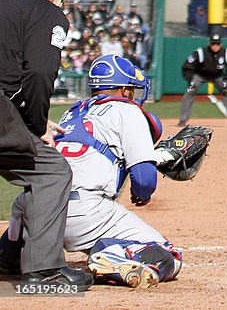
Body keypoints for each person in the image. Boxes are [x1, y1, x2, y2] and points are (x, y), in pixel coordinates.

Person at [7, 55, 182, 288]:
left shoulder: (73, 112)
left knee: (24, 222)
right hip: (84, 213)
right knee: (169, 256)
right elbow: (143, 179)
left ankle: (8, 254)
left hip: (34, 208)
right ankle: (112, 254)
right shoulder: (127, 111)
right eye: (131, 89)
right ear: (124, 89)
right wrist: (142, 194)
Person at [0, 0, 93, 291]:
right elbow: (39, 74)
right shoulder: (47, 12)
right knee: (52, 171)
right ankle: (43, 271)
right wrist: (36, 127)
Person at [178, 34, 227, 127]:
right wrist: (190, 80)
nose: (215, 46)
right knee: (190, 92)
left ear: (221, 44)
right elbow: (187, 66)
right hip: (200, 75)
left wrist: (226, 80)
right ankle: (182, 120)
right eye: (213, 44)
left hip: (218, 76)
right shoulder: (200, 52)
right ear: (209, 44)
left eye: (217, 44)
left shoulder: (226, 53)